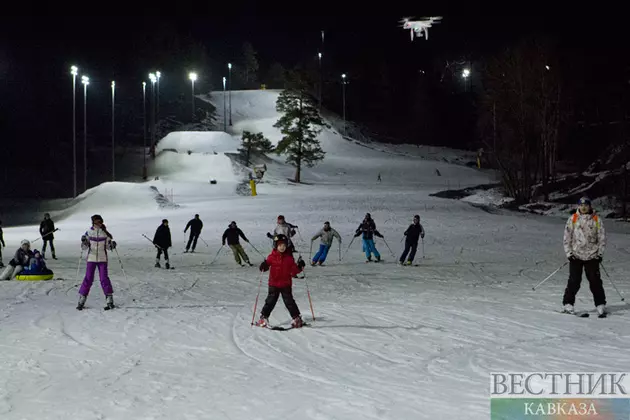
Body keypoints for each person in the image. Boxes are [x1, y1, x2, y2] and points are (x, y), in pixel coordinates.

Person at [562, 196, 607, 316]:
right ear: (578, 206)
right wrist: (569, 253)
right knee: (574, 280)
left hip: (592, 256)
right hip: (576, 255)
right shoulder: (573, 219)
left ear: (590, 206)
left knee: (595, 281)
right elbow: (567, 238)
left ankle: (600, 304)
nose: (583, 207)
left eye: (586, 205)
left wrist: (599, 254)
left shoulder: (596, 220)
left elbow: (602, 238)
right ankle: (568, 304)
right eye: (581, 205)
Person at [256, 234, 306, 328]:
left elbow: (294, 270)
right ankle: (264, 317)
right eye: (279, 245)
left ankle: (296, 318)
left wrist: (300, 266)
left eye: (284, 245)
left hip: (286, 284)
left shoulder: (289, 258)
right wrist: (264, 266)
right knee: (270, 301)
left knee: (289, 302)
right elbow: (266, 266)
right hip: (273, 284)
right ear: (276, 246)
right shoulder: (271, 257)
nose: (282, 247)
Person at [77, 214, 116, 310]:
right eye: (96, 222)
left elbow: (108, 247)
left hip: (102, 259)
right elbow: (84, 248)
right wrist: (84, 242)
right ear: (93, 223)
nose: (98, 224)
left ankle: (109, 299)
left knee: (104, 278)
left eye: (100, 222)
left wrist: (112, 245)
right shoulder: (89, 233)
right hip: (91, 259)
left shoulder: (105, 233)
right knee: (88, 278)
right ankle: (82, 299)